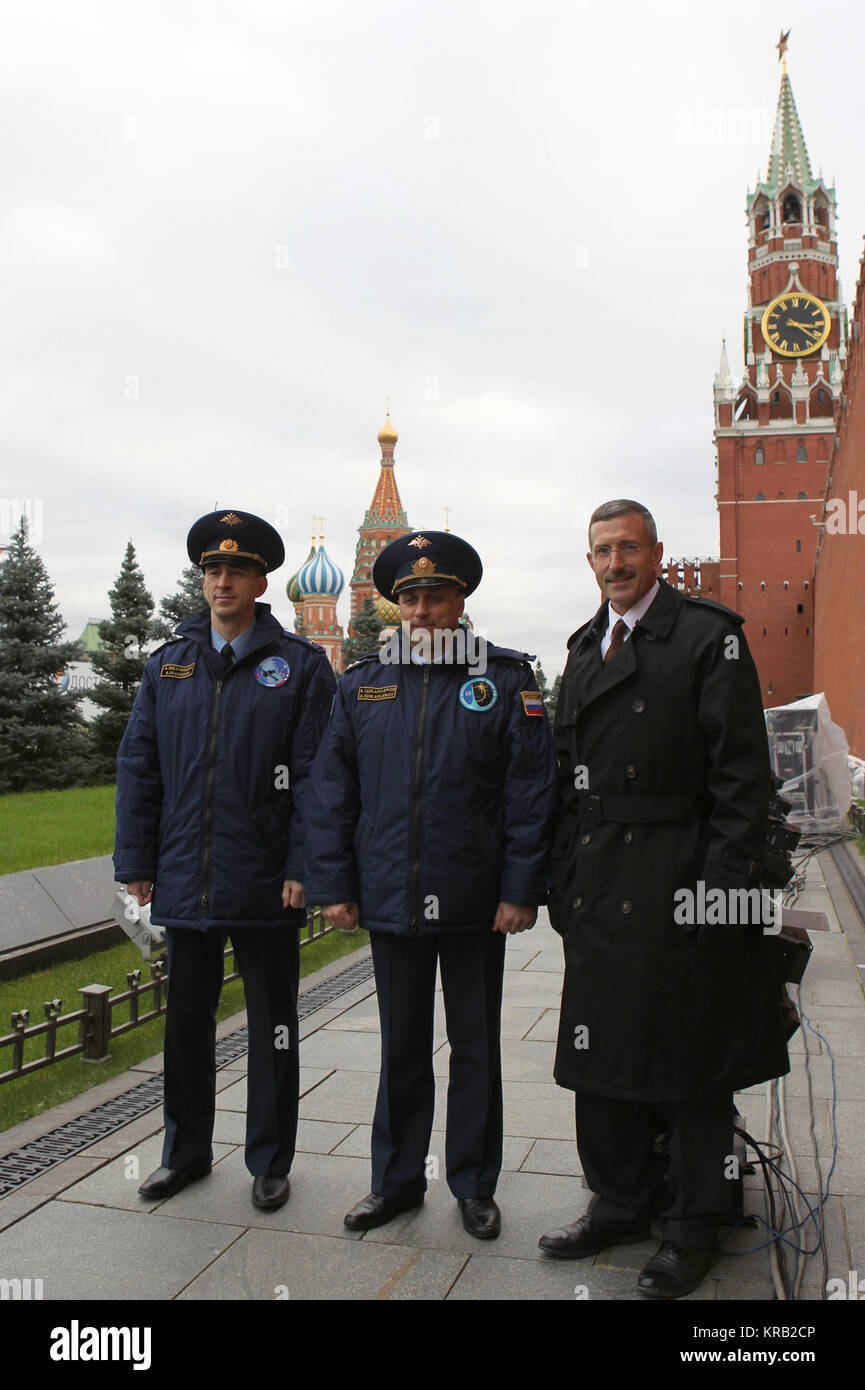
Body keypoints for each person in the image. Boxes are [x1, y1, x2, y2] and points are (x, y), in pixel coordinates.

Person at [538, 499, 790, 1298]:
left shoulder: (704, 637)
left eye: (628, 549)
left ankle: (691, 1224)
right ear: (589, 563)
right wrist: (562, 880)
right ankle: (618, 1200)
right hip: (600, 884)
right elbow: (561, 780)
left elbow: (741, 780)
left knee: (688, 1062)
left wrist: (723, 894)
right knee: (600, 1055)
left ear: (655, 553)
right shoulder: (583, 650)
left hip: (682, 878)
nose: (615, 564)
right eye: (601, 552)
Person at [303, 530, 556, 1239]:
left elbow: (531, 790)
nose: (420, 611)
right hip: (387, 893)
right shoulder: (361, 686)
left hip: (475, 897)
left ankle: (474, 1184)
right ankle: (395, 1183)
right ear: (395, 608)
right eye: (408, 598)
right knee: (401, 1047)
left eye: (433, 597)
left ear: (459, 602)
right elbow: (330, 794)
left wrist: (520, 888)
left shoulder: (503, 680)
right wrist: (334, 885)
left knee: (474, 1045)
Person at [114, 509, 336, 1210]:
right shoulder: (169, 664)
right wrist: (135, 862)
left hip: (269, 877)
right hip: (185, 871)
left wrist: (305, 865)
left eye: (236, 571)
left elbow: (318, 778)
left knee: (272, 1022)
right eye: (212, 571)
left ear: (260, 580)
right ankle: (184, 1153)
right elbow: (139, 767)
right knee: (185, 1022)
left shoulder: (298, 668)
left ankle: (270, 1160)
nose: (222, 583)